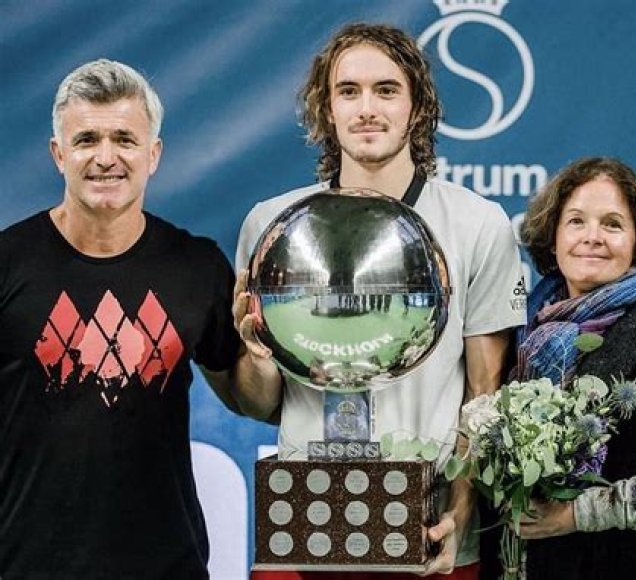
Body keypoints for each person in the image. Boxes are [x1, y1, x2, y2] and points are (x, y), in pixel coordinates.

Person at [234, 23, 527, 579]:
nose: (367, 108)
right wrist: (256, 355)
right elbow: (258, 403)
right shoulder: (271, 226)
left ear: (417, 107)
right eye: (349, 91)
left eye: (386, 90)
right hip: (307, 527)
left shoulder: (477, 225)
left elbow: (484, 394)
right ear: (327, 109)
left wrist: (461, 512)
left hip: (427, 534)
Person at [0, 59, 249, 579]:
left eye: (125, 139)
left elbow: (250, 397)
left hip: (167, 568)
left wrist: (266, 351)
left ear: (153, 155)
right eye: (87, 139)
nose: (106, 157)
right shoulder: (7, 262)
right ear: (58, 154)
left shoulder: (197, 265)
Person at [511, 157, 636, 580]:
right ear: (553, 238)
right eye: (576, 221)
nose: (592, 237)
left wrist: (579, 514)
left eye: (612, 224)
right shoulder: (528, 333)